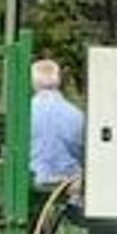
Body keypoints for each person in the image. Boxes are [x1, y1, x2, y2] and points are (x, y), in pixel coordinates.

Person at [30, 57, 85, 187]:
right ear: (59, 80)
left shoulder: (22, 114)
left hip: (31, 184)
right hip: (69, 185)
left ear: (33, 82)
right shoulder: (77, 115)